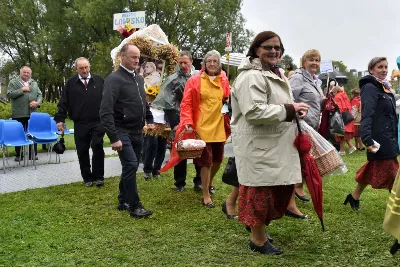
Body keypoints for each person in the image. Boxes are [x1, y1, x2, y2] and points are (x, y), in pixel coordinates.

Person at [231, 31, 309, 255]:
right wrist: (289, 110)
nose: (274, 51)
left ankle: (257, 228)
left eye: (277, 47)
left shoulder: (275, 73)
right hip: (259, 146)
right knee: (260, 194)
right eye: (268, 47)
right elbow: (254, 112)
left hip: (273, 144)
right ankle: (257, 240)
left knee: (276, 193)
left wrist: (293, 111)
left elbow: (278, 105)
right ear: (256, 49)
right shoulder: (251, 76)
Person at [160, 50, 231, 206]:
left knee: (218, 160)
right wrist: (187, 121)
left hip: (218, 124)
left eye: (215, 61)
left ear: (219, 63)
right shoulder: (195, 80)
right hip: (202, 126)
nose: (212, 64)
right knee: (206, 162)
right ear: (204, 64)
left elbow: (225, 99)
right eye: (209, 61)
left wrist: (227, 102)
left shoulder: (224, 79)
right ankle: (206, 194)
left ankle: (210, 181)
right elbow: (186, 103)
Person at [100, 44, 155, 218]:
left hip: (137, 131)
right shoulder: (114, 79)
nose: (137, 60)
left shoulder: (138, 79)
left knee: (130, 166)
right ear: (122, 57)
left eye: (138, 57)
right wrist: (114, 137)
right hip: (121, 130)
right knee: (131, 164)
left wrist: (150, 118)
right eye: (133, 56)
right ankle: (134, 206)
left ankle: (123, 199)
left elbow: (143, 102)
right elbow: (105, 110)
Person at [344, 57, 399, 210]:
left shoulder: (384, 88)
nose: (384, 70)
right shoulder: (370, 87)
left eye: (386, 67)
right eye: (379, 67)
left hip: (388, 137)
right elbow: (367, 114)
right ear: (371, 70)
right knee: (394, 174)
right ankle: (397, 208)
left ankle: (353, 197)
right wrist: (367, 138)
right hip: (380, 138)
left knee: (373, 168)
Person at [152, 51, 202, 192]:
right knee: (181, 151)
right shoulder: (172, 79)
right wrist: (174, 124)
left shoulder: (199, 78)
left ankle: (199, 181)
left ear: (191, 61)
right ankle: (179, 183)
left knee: (198, 150)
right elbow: (167, 104)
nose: (183, 65)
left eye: (185, 62)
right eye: (180, 62)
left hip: (197, 120)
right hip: (179, 120)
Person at [54, 57, 105, 187]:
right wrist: (60, 119)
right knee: (82, 150)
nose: (84, 70)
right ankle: (87, 178)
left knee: (98, 146)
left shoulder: (99, 80)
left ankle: (99, 176)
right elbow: (63, 103)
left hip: (97, 121)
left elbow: (108, 99)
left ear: (90, 66)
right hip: (80, 123)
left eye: (86, 67)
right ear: (76, 69)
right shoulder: (71, 83)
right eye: (81, 68)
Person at [289, 49, 324, 206]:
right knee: (298, 156)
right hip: (299, 125)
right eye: (311, 60)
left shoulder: (316, 81)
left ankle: (298, 185)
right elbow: (289, 97)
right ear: (303, 62)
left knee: (305, 156)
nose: (314, 63)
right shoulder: (297, 78)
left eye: (317, 60)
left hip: (312, 124)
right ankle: (296, 187)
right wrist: (297, 109)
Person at [7, 66, 42, 161]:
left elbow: (39, 94)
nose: (26, 74)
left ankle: (33, 154)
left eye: (28, 73)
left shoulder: (34, 83)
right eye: (24, 72)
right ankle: (19, 155)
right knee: (19, 134)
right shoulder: (13, 82)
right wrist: (22, 90)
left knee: (32, 133)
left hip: (32, 114)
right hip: (19, 113)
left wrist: (37, 103)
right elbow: (9, 95)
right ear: (20, 72)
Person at [332, 86, 356, 155]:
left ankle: (349, 147)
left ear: (335, 92)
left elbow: (340, 108)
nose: (333, 94)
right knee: (343, 134)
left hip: (342, 118)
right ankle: (343, 150)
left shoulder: (337, 97)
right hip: (348, 117)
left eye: (333, 93)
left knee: (341, 134)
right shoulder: (344, 95)